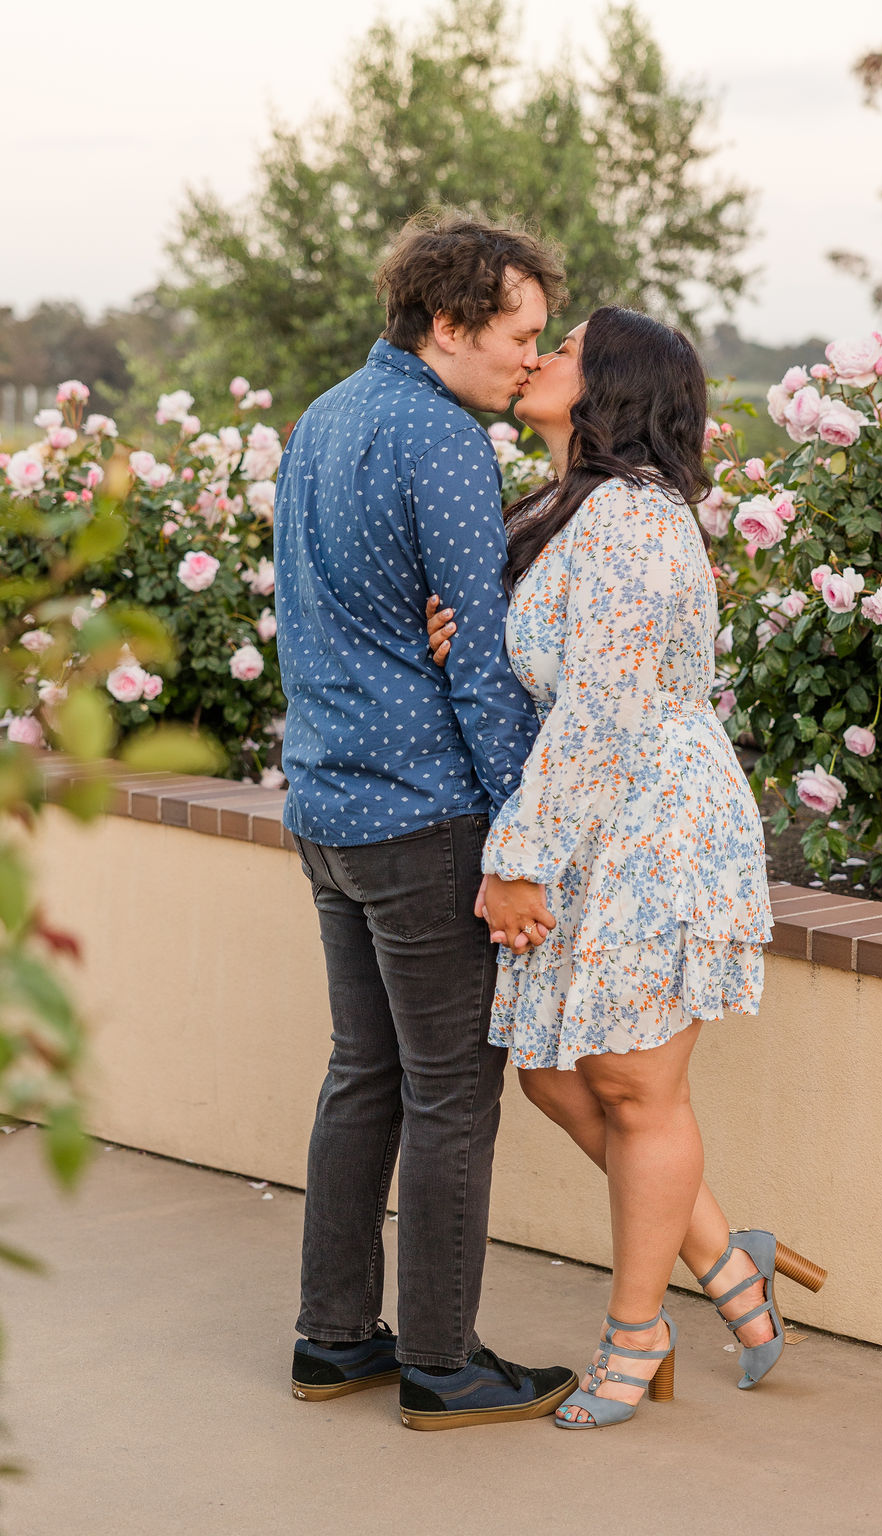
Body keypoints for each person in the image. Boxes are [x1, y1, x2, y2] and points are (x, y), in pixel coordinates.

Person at [427, 306, 826, 1430]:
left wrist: (516, 861)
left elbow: (601, 715)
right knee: (556, 1073)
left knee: (636, 1089)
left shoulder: (634, 524)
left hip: (656, 827)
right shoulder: (566, 510)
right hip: (599, 822)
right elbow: (561, 675)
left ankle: (637, 1334)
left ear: (611, 387)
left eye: (562, 348)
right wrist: (478, 641)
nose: (536, 357)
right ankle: (726, 1259)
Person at [273, 212, 579, 1431]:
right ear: (447, 325)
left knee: (365, 1077)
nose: (527, 358)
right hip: (422, 818)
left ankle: (334, 1340)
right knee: (452, 1092)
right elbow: (480, 669)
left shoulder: (326, 417)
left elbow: (329, 613)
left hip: (330, 805)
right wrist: (520, 841)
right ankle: (443, 1364)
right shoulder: (442, 439)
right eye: (517, 335)